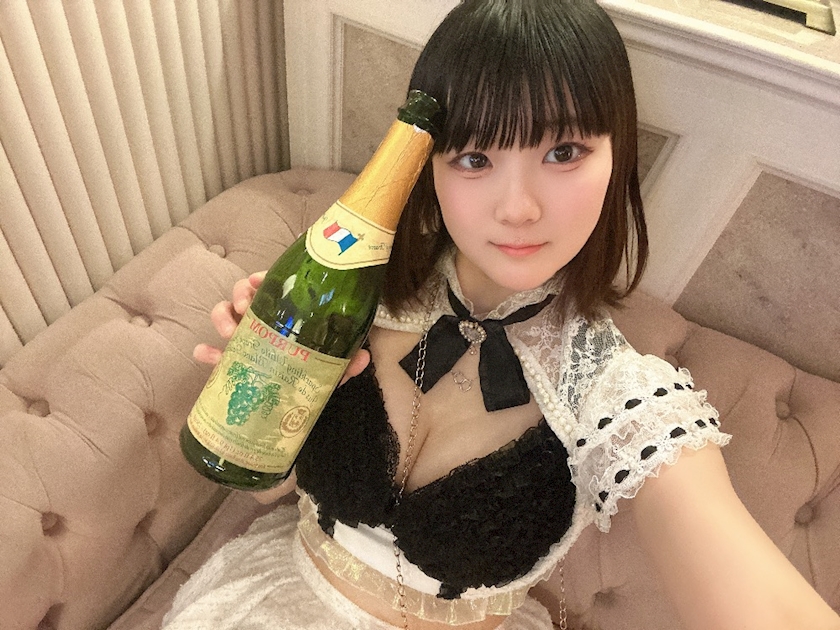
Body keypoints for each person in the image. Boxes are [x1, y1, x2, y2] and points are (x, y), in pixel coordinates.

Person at [162, 1, 840, 629]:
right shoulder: (363, 289)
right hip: (273, 600)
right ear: (429, 163)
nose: (518, 208)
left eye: (563, 152)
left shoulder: (614, 394)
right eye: (475, 157)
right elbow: (268, 491)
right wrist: (254, 403)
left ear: (617, 156)